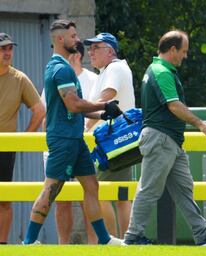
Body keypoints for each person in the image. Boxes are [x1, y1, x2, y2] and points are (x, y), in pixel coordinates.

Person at [22, 19, 124, 245]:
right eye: (73, 36)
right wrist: (104, 106)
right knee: (51, 190)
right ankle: (28, 243)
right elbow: (74, 105)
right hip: (63, 140)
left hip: (75, 139)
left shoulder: (62, 67)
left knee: (91, 185)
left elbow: (77, 108)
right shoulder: (61, 69)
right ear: (60, 39)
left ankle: (104, 240)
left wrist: (102, 115)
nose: (78, 40)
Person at [124, 30, 206, 246]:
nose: (185, 56)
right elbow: (173, 105)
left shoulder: (159, 69)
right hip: (160, 139)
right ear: (172, 50)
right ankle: (133, 236)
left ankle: (202, 234)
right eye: (184, 51)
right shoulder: (161, 71)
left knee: (184, 189)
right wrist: (200, 123)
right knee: (149, 189)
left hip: (170, 141)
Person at [43, 41, 98, 244]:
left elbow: (86, 109)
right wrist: (49, 147)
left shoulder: (92, 79)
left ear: (76, 55)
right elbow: (47, 112)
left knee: (90, 190)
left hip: (84, 143)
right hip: (63, 141)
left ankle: (96, 243)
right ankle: (62, 244)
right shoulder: (59, 72)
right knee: (58, 197)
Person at [84, 32, 135, 239]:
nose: (91, 51)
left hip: (113, 140)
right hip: (119, 139)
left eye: (97, 47)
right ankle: (125, 242)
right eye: (90, 48)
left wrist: (86, 124)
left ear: (111, 51)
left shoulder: (114, 68)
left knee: (98, 192)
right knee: (121, 195)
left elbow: (107, 98)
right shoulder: (109, 70)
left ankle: (112, 242)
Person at [0, 32, 45, 244]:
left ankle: (3, 245)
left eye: (9, 48)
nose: (7, 53)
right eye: (2, 49)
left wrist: (24, 138)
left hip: (5, 149)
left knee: (4, 199)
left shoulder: (19, 78)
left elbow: (39, 109)